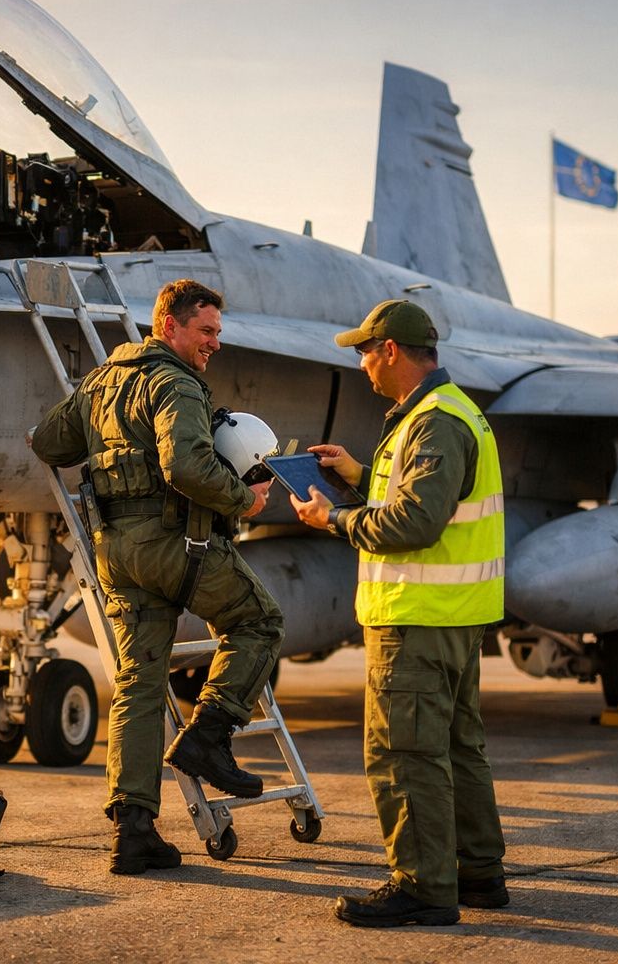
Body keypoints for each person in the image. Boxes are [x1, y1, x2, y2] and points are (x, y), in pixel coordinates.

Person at [31, 278, 284, 876]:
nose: (214, 343)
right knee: (260, 621)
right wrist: (242, 501)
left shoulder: (101, 381)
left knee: (139, 686)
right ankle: (209, 734)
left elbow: (47, 442)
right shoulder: (177, 382)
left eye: (217, 332)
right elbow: (186, 464)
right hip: (176, 546)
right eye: (206, 331)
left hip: (115, 552)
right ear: (169, 326)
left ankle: (134, 832)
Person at [290, 298, 508, 928]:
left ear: (390, 350)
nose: (359, 364)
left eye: (364, 350)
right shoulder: (444, 412)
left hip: (418, 617)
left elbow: (414, 521)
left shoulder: (434, 422)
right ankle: (477, 873)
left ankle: (423, 886)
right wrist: (356, 475)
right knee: (458, 748)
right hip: (452, 615)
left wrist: (334, 517)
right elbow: (417, 500)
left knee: (404, 754)